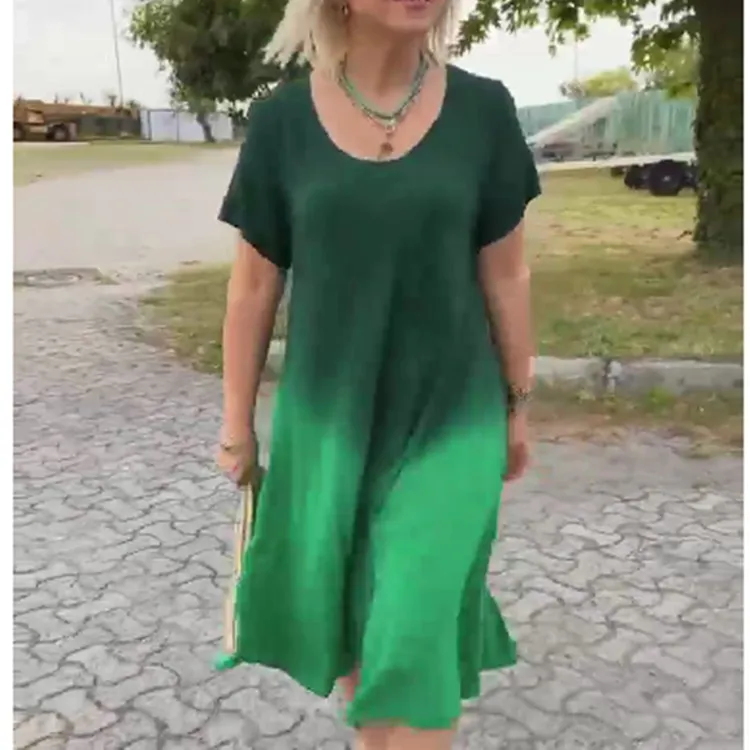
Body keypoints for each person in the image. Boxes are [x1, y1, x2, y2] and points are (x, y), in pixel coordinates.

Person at [214, 0, 540, 743]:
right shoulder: (282, 123)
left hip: (452, 420)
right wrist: (237, 424)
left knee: (414, 635)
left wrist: (518, 404)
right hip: (331, 426)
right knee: (363, 644)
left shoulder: (484, 111)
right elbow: (254, 287)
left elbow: (507, 275)